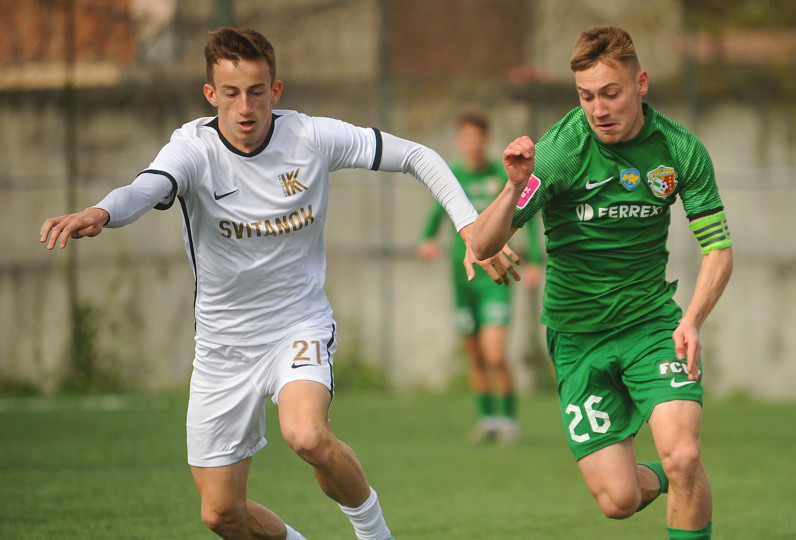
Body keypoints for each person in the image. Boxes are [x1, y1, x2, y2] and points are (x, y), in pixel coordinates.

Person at [40, 28, 517, 540]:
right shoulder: (194, 150)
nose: (245, 106)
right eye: (231, 93)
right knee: (221, 514)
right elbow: (147, 187)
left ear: (276, 90)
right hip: (222, 347)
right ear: (211, 94)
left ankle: (377, 536)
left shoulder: (311, 137)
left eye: (256, 91)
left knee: (307, 434)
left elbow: (417, 155)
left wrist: (470, 227)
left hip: (297, 324)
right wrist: (103, 211)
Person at [468, 26, 732, 540]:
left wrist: (693, 320)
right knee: (619, 500)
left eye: (610, 93)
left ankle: (682, 476)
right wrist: (515, 187)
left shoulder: (679, 149)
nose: (598, 109)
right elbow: (482, 243)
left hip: (652, 327)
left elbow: (718, 249)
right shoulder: (560, 151)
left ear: (641, 84)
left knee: (683, 456)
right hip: (577, 337)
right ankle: (677, 482)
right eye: (586, 96)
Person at [418, 111, 542, 444]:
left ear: (486, 140)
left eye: (477, 137)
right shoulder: (453, 175)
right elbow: (438, 212)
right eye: (466, 138)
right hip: (463, 280)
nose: (471, 144)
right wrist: (427, 239)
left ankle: (510, 422)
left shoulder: (502, 175)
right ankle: (488, 420)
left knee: (495, 353)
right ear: (460, 141)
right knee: (475, 355)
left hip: (496, 277)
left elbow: (526, 212)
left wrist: (535, 261)